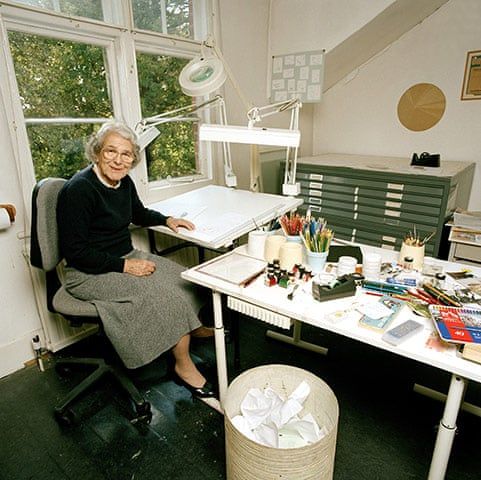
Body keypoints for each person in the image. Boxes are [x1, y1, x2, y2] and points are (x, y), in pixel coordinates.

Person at [56, 121, 215, 398]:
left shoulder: (123, 181)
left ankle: (189, 326)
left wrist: (167, 220)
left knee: (186, 279)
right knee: (165, 297)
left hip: (123, 257)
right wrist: (125, 266)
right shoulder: (79, 190)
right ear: (97, 152)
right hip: (87, 272)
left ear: (133, 158)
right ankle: (183, 364)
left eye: (126, 154)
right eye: (110, 151)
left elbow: (137, 213)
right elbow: (76, 253)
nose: (118, 160)